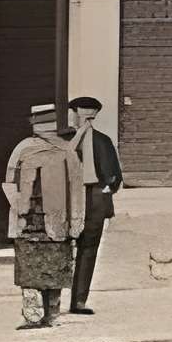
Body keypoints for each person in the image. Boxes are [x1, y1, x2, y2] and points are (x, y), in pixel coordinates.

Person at [1, 98, 87, 329]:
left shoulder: (65, 152)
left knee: (51, 270)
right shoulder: (30, 149)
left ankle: (45, 315)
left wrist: (76, 221)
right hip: (34, 224)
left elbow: (76, 190)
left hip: (49, 224)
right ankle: (41, 315)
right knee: (35, 271)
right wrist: (20, 208)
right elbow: (10, 182)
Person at [65, 94, 125, 316]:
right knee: (78, 250)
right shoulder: (75, 141)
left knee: (85, 249)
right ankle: (70, 300)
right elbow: (115, 177)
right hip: (79, 199)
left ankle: (75, 301)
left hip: (89, 200)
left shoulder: (98, 141)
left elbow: (115, 177)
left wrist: (105, 190)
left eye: (75, 113)